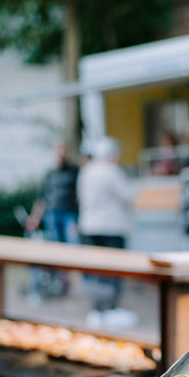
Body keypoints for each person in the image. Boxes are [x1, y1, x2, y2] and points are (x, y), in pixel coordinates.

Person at [77, 136, 137, 328]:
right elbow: (128, 195)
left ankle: (97, 310)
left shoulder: (86, 171)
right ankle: (111, 310)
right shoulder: (112, 171)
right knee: (113, 269)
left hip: (89, 226)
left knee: (96, 269)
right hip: (112, 228)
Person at [24, 141, 80, 298]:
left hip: (69, 213)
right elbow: (42, 198)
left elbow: (80, 195)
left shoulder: (74, 171)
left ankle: (71, 280)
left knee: (72, 248)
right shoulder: (50, 173)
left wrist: (80, 219)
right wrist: (35, 218)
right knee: (56, 248)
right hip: (52, 213)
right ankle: (60, 281)